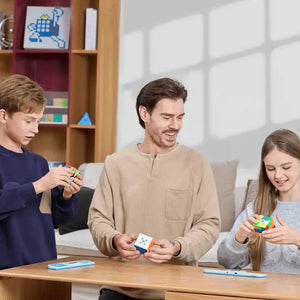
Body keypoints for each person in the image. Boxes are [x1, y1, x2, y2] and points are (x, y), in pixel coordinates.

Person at [88, 77, 221, 299]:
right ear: (145, 114)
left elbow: (210, 224)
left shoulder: (197, 164)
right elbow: (98, 219)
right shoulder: (116, 163)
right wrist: (114, 240)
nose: (175, 125)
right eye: (167, 117)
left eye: (180, 117)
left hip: (176, 290)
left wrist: (178, 247)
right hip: (120, 287)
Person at [0, 74, 83, 270]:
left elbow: (56, 221)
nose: (36, 129)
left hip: (45, 268)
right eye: (29, 121)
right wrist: (38, 186)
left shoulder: (39, 163)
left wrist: (67, 195)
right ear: (3, 116)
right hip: (8, 271)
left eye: (38, 121)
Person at [217, 129, 300, 274]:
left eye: (286, 167)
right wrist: (240, 237)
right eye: (270, 169)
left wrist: (297, 239)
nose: (278, 175)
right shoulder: (257, 209)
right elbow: (226, 262)